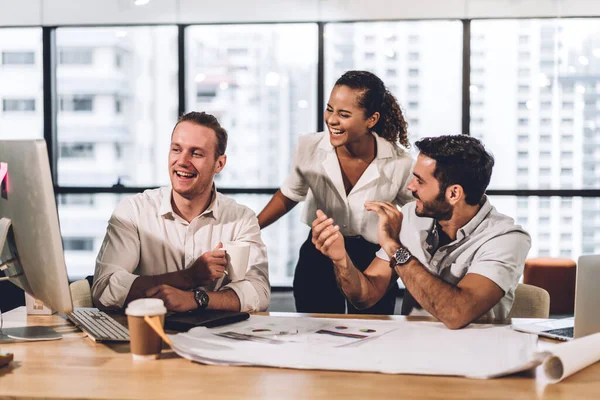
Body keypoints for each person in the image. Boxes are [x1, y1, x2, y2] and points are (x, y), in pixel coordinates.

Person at [312, 135, 531, 328]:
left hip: (473, 361)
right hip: (410, 353)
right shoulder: (410, 215)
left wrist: (394, 247)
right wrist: (341, 259)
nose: (410, 187)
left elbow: (456, 314)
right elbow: (365, 296)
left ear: (454, 193)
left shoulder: (506, 239)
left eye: (420, 180)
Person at [257, 70, 413, 314]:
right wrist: (251, 228)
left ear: (371, 119)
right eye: (329, 109)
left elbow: (418, 210)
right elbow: (289, 194)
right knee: (316, 336)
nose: (331, 119)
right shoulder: (308, 147)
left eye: (344, 114)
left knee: (371, 337)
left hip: (372, 261)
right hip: (319, 253)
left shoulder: (399, 162)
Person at [92, 112, 270, 313]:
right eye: (176, 149)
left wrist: (197, 299)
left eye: (196, 153)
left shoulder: (242, 219)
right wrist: (188, 277)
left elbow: (258, 292)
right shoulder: (133, 211)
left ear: (219, 164)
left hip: (218, 340)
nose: (183, 161)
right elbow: (104, 289)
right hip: (148, 335)